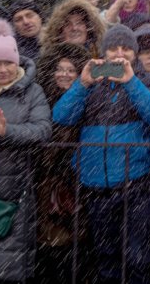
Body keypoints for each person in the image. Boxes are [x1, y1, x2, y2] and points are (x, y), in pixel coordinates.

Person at [52, 24, 150, 284]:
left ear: (135, 54)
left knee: (138, 258)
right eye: (113, 48)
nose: (119, 53)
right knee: (106, 259)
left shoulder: (149, 80)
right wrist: (82, 84)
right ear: (103, 53)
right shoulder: (92, 84)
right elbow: (61, 116)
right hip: (96, 188)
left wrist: (131, 82)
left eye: (126, 48)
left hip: (136, 184)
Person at [0, 19, 52, 282]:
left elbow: (42, 129)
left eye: (8, 63)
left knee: (8, 266)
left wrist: (7, 133)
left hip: (13, 192)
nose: (3, 69)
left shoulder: (32, 92)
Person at [34, 42, 91, 281]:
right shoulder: (44, 99)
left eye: (70, 70)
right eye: (60, 69)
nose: (64, 74)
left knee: (78, 242)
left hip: (78, 180)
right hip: (49, 182)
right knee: (50, 242)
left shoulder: (86, 100)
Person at [39, 0, 106, 58]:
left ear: (89, 28)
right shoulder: (48, 61)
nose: (74, 28)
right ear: (59, 30)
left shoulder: (104, 58)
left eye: (79, 23)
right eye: (67, 24)